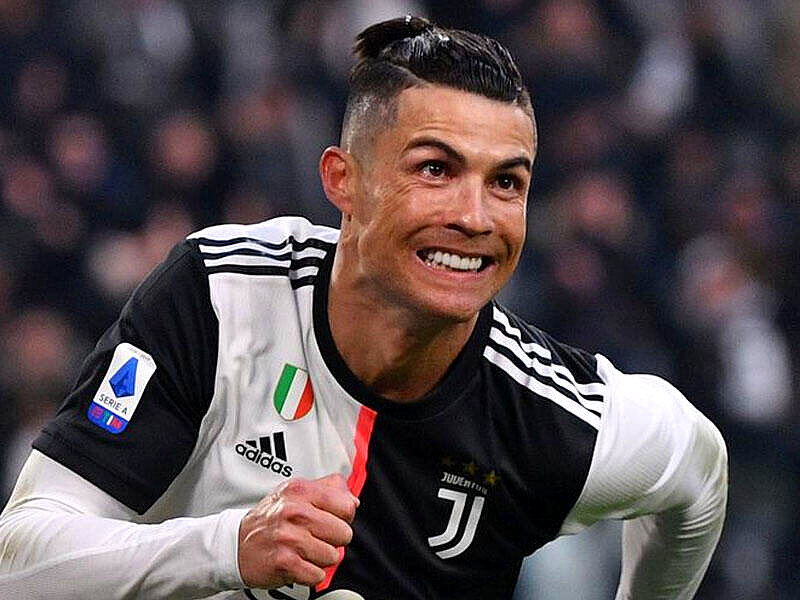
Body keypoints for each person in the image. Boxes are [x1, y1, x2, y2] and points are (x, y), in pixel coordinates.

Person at [0, 16, 726, 600]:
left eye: (507, 183)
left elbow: (700, 475)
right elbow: (21, 561)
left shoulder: (549, 417)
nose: (475, 217)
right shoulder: (221, 297)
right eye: (435, 169)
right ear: (342, 181)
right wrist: (228, 547)